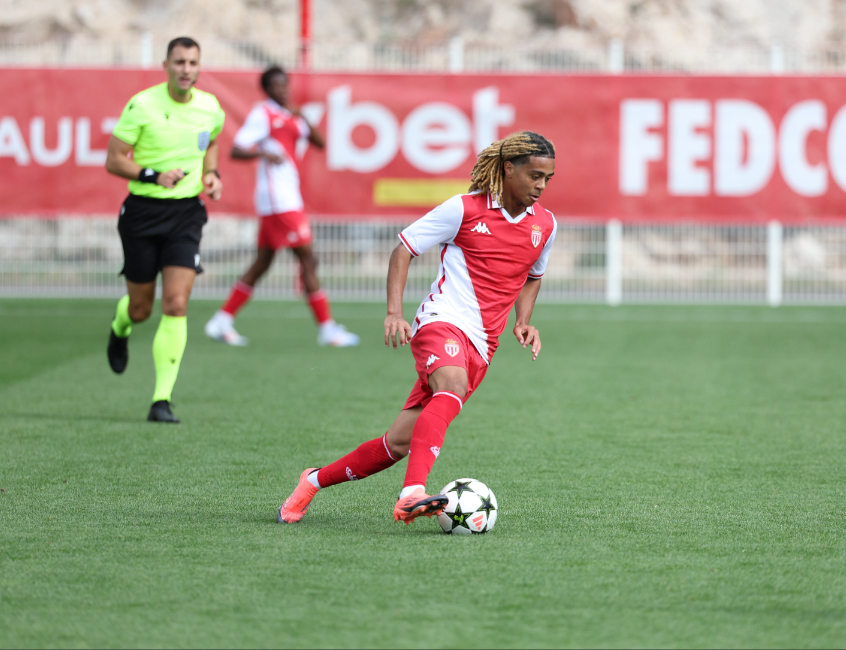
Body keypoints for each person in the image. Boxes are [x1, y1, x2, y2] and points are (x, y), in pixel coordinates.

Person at [276, 131, 558, 525]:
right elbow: (405, 247)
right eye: (534, 175)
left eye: (548, 178)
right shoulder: (464, 209)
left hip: (483, 345)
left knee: (398, 444)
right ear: (508, 169)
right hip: (441, 321)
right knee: (452, 387)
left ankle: (312, 482)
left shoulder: (545, 225)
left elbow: (533, 275)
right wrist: (394, 312)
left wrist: (524, 321)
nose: (541, 186)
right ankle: (412, 493)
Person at [104, 36, 225, 423]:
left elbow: (213, 142)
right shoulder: (142, 104)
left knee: (175, 303)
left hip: (186, 214)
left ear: (199, 66)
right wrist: (153, 175)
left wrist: (211, 174)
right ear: (166, 65)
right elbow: (113, 160)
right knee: (141, 309)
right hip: (141, 212)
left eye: (192, 62)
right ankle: (120, 326)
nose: (186, 69)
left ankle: (161, 400)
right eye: (179, 62)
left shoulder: (210, 106)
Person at [203, 66, 359, 348]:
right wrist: (264, 151)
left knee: (262, 264)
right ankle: (327, 329)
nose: (282, 89)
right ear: (266, 89)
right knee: (308, 259)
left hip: (285, 199)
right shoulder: (263, 114)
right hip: (279, 201)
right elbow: (237, 149)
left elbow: (320, 143)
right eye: (276, 86)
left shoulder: (290, 115)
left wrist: (303, 118)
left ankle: (222, 320)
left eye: (285, 84)